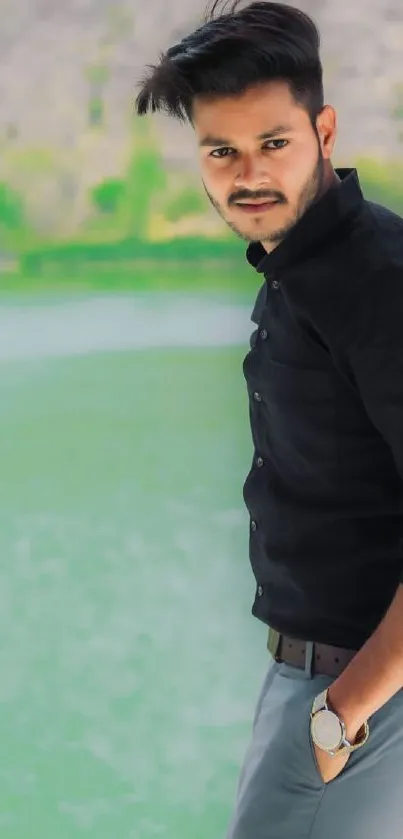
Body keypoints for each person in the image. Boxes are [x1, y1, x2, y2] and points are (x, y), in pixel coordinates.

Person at [135, 2, 403, 836]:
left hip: (360, 696)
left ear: (323, 130)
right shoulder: (297, 266)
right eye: (222, 151)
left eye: (273, 144)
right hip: (324, 684)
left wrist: (338, 714)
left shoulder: (377, 284)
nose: (247, 173)